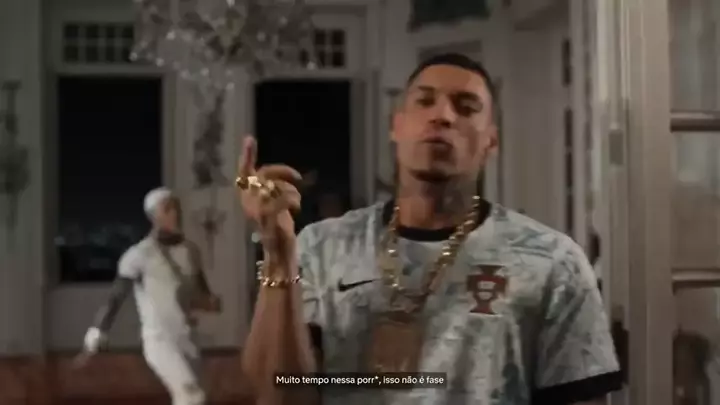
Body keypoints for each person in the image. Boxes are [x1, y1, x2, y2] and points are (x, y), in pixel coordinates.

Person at [236, 53, 622, 405]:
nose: (443, 116)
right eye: (425, 101)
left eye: (465, 107)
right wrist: (278, 254)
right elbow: (277, 392)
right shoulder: (322, 247)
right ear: (397, 126)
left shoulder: (553, 263)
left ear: (491, 141)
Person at [81, 187, 221, 405]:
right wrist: (98, 330)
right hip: (159, 341)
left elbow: (202, 293)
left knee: (188, 398)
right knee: (192, 396)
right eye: (168, 209)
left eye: (176, 207)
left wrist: (209, 302)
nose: (175, 213)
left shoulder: (191, 251)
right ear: (153, 215)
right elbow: (116, 296)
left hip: (188, 340)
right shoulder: (138, 255)